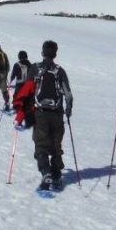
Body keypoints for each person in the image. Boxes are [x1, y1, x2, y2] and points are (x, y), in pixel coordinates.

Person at [29, 40, 72, 192]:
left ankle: (46, 172)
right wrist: (68, 110)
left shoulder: (35, 68)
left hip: (40, 113)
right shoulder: (60, 71)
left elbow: (27, 90)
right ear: (55, 53)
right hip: (57, 114)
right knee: (55, 145)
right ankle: (56, 175)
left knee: (41, 144)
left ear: (43, 52)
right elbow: (68, 95)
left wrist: (24, 112)